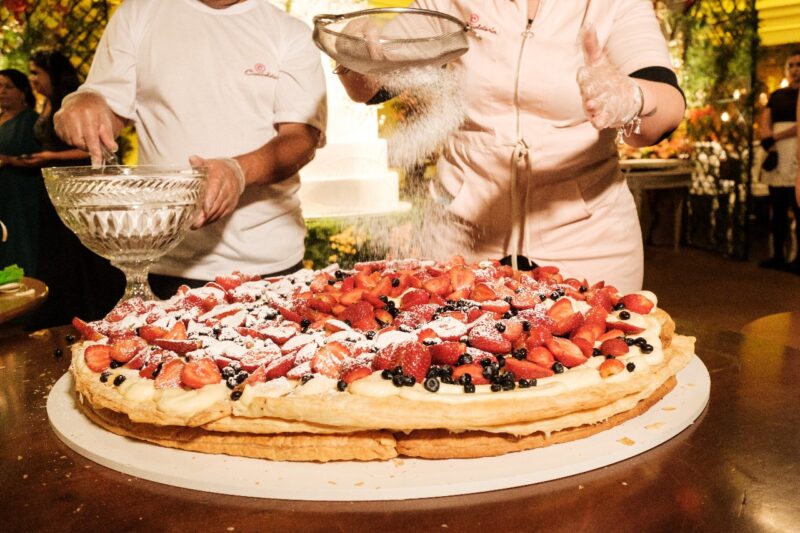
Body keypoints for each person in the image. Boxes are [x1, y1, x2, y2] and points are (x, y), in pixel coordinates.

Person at [338, 0, 685, 294]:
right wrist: (354, 48)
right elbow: (368, 87)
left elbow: (665, 108)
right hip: (460, 242)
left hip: (589, 246)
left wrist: (633, 97)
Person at [54, 0, 326, 300]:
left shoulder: (289, 32)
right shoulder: (138, 14)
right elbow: (108, 106)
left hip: (268, 261)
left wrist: (237, 172)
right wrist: (84, 105)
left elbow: (301, 138)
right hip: (162, 257)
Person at [21, 50, 126, 328]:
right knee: (59, 253)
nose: (33, 79)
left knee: (81, 254)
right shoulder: (45, 103)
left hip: (79, 187)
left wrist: (50, 157)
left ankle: (89, 313)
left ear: (52, 74)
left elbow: (95, 149)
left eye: (36, 72)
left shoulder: (77, 106)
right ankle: (61, 313)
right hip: (54, 186)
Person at [759, 50, 799, 272]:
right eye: (790, 65)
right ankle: (777, 255)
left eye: (798, 65)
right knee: (778, 207)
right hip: (778, 153)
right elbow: (766, 120)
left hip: (795, 152)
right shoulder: (777, 95)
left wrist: (777, 136)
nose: (794, 70)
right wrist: (769, 139)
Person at [0, 69, 42, 276]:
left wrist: (8, 160)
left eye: (8, 87)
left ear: (22, 91)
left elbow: (38, 157)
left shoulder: (32, 121)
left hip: (22, 193)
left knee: (19, 242)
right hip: (2, 193)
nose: (2, 91)